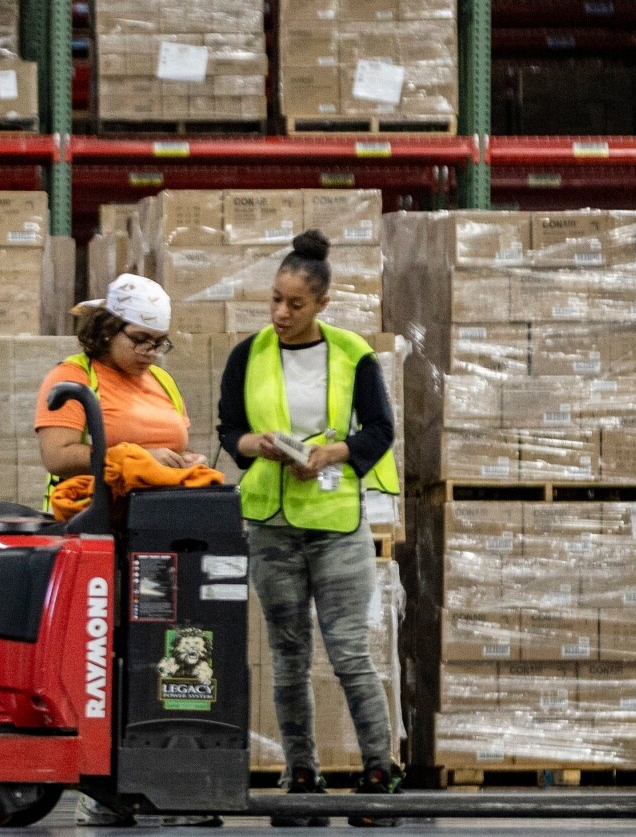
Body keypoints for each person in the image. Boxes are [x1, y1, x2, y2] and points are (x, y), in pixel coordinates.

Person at [215, 231, 403, 828]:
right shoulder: (247, 355)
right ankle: (301, 773)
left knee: (349, 653)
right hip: (270, 525)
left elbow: (380, 430)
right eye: (275, 299)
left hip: (334, 523)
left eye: (295, 304)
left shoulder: (352, 354)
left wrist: (334, 454)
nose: (280, 313)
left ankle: (380, 772)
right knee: (288, 655)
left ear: (322, 302)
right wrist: (259, 445)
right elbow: (229, 431)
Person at [34, 273, 202, 511]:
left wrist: (187, 460)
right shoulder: (74, 377)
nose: (150, 352)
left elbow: (172, 447)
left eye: (159, 343)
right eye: (140, 339)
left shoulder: (162, 380)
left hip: (161, 513)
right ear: (108, 330)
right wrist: (137, 459)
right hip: (91, 515)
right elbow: (57, 457)